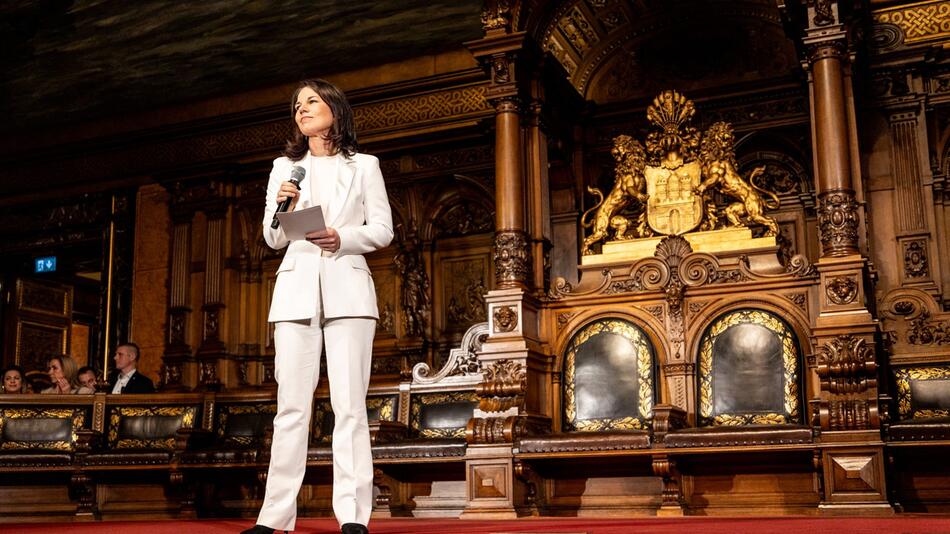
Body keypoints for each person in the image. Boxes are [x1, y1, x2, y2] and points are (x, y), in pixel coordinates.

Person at [243, 79, 393, 534]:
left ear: (335, 109)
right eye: (297, 105)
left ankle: (352, 516)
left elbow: (383, 230)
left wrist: (343, 237)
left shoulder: (365, 165)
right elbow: (272, 237)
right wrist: (283, 207)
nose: (302, 109)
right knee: (290, 407)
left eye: (312, 101)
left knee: (349, 406)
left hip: (348, 286)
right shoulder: (284, 167)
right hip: (295, 291)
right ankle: (275, 519)